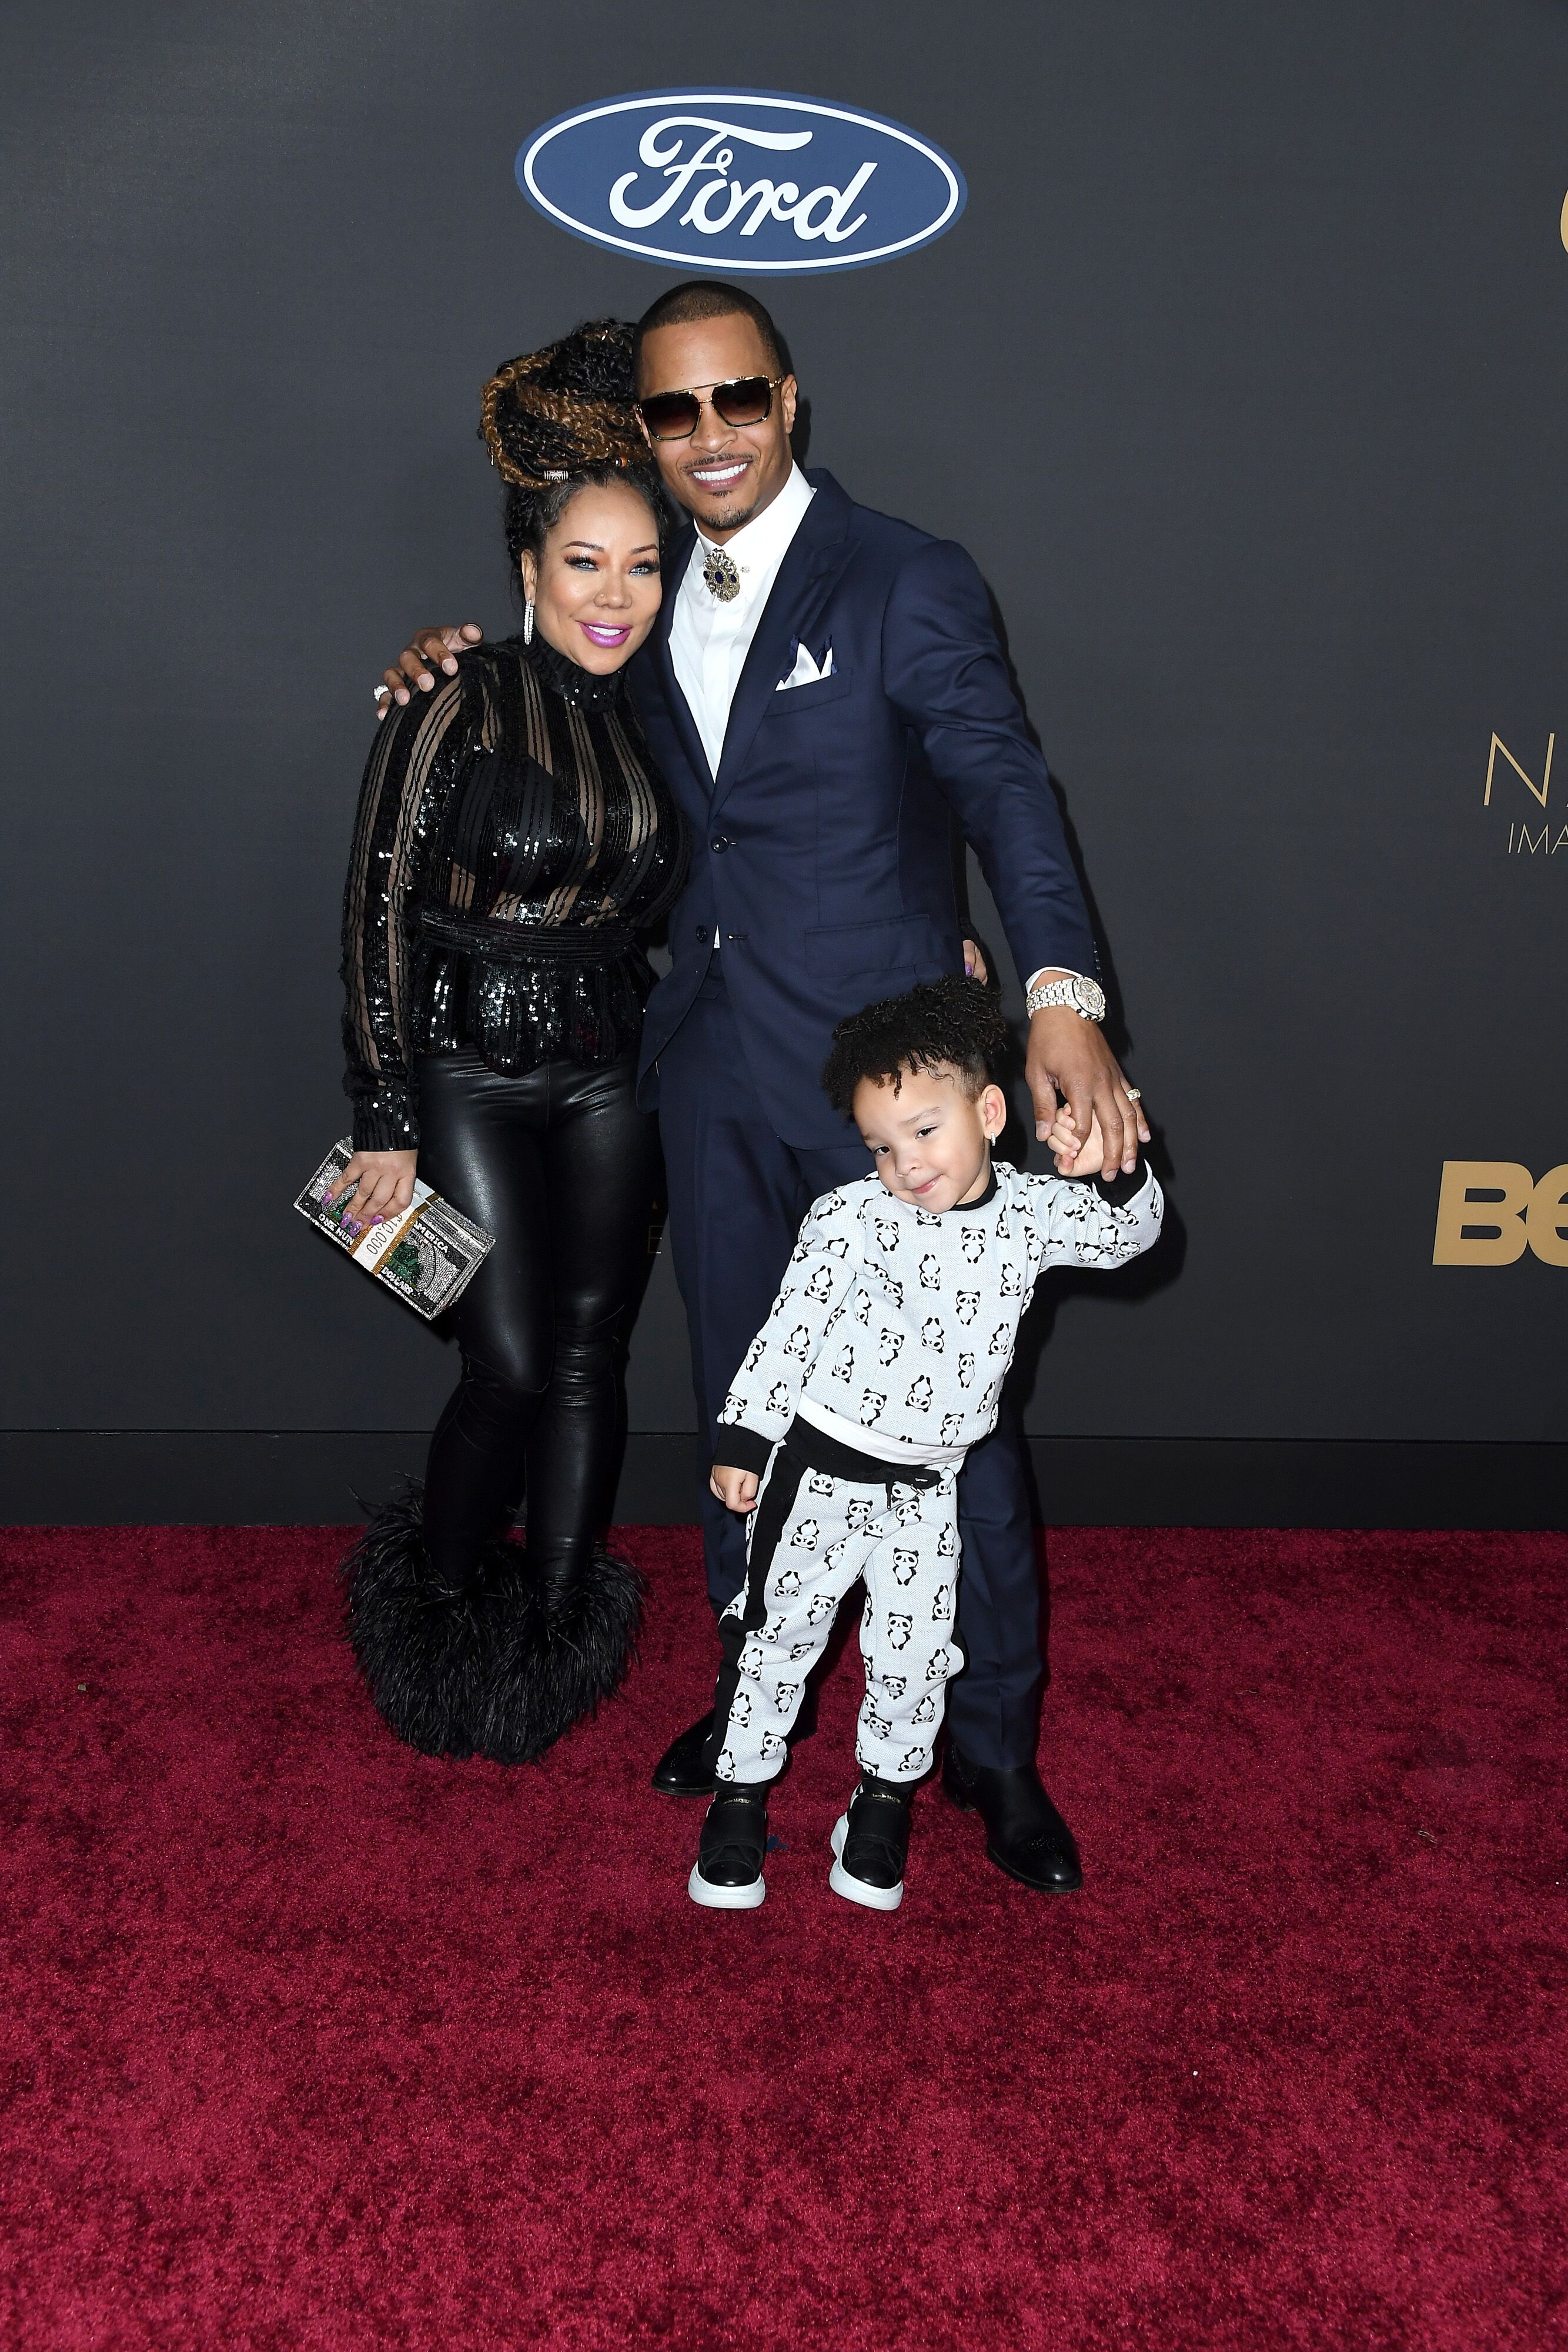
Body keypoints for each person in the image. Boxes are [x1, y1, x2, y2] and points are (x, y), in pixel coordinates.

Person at [379, 280, 1152, 1890]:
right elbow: (556, 702)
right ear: (644, 435)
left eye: (738, 399)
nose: (709, 435)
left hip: (889, 1100)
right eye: (674, 412)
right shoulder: (641, 606)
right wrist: (445, 661)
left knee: (958, 1440)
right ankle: (754, 1697)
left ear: (788, 403)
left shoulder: (904, 579)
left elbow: (1004, 785)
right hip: (709, 1077)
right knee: (746, 1409)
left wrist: (1061, 994)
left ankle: (990, 1748)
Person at [333, 320, 686, 1766]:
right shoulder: (452, 698)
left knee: (595, 1354)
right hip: (460, 1069)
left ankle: (552, 1626)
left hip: (614, 1066)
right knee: (514, 1362)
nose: (615, 594)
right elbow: (376, 905)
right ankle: (442, 1601)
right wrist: (379, 1111)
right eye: (585, 561)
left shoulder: (673, 714)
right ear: (528, 569)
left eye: (642, 563)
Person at [687, 978, 1162, 1912]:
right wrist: (746, 1437)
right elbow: (787, 1334)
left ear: (989, 1112)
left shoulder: (1030, 1215)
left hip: (928, 1491)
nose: (905, 1162)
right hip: (818, 1475)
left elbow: (1130, 1238)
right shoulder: (847, 1219)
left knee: (915, 1658)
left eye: (925, 1130)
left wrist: (1113, 1162)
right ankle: (739, 1796)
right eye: (881, 1144)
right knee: (777, 1635)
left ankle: (882, 1802)